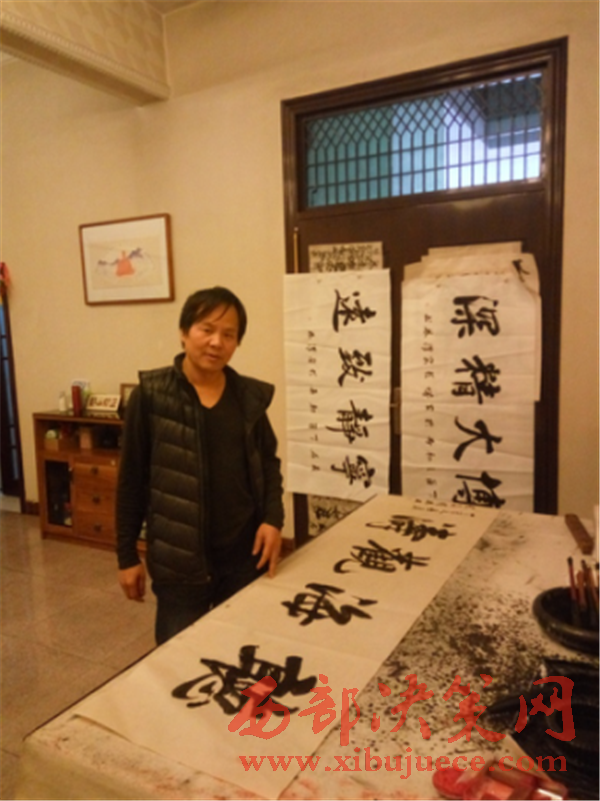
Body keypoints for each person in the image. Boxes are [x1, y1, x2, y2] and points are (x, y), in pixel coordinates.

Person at [116, 287, 284, 645]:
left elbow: (269, 463)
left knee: (241, 652)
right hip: (180, 563)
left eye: (229, 334)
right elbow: (131, 480)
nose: (216, 342)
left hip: (243, 557)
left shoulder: (248, 397)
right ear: (184, 331)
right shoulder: (150, 396)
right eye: (206, 329)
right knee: (179, 662)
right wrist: (126, 555)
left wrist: (273, 519)